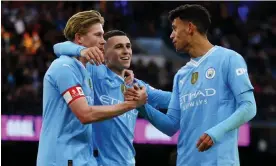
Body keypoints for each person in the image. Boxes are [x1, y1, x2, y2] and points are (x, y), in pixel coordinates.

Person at [125, 4, 257, 166]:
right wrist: (142, 106)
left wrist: (215, 132)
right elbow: (171, 126)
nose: (171, 35)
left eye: (174, 28)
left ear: (189, 28)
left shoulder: (228, 59)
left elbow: (249, 106)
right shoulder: (181, 75)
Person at [36, 11, 147, 166]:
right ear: (79, 38)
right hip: (61, 159)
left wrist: (121, 73)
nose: (103, 41)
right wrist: (130, 105)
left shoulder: (86, 70)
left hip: (83, 158)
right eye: (98, 35)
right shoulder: (64, 67)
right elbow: (85, 114)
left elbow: (60, 47)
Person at [53, 30, 172, 166]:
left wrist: (196, 88)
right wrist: (82, 51)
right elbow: (58, 48)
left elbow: (172, 99)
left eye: (128, 46)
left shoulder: (137, 86)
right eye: (118, 47)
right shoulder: (94, 71)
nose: (126, 51)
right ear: (103, 53)